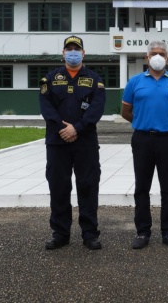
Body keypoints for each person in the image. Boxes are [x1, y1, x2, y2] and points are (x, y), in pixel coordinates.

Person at [121, 40, 168, 249]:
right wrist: (140, 122)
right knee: (142, 187)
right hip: (142, 139)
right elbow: (125, 111)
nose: (157, 56)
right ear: (147, 57)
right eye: (154, 53)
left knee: (167, 187)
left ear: (167, 58)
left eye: (162, 53)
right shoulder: (135, 81)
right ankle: (143, 232)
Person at [39, 35, 106, 250]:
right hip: (57, 142)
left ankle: (89, 233)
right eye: (69, 49)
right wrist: (63, 129)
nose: (73, 52)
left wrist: (76, 128)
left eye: (77, 49)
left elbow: (97, 108)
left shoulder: (95, 80)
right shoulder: (50, 79)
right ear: (63, 53)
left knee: (88, 186)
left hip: (85, 142)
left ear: (84, 53)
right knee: (59, 186)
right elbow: (46, 108)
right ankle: (60, 233)